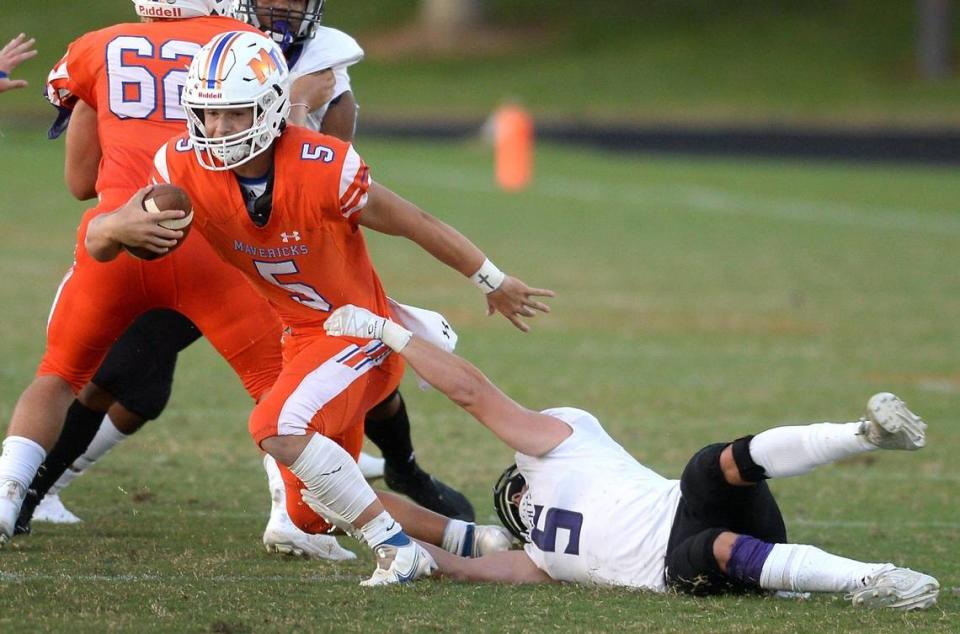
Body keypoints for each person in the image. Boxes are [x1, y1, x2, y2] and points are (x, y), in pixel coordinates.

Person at [87, 30, 552, 585]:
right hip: (305, 339)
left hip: (364, 334)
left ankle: (395, 549)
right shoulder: (179, 167)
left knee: (274, 424)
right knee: (320, 509)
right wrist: (114, 225)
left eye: (234, 115)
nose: (216, 130)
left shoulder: (322, 166)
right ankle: (474, 539)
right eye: (207, 115)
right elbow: (99, 243)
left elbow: (416, 223)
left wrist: (491, 279)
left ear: (267, 108)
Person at [22, 0, 475, 545]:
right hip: (205, 241)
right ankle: (34, 490)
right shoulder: (208, 49)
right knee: (130, 382)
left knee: (346, 368)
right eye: (268, 0)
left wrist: (299, 110)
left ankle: (390, 472)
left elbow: (323, 169)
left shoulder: (319, 59)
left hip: (280, 246)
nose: (281, 9)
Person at [319, 304, 941, 608]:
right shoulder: (535, 559)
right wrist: (341, 497)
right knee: (714, 550)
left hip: (682, 504)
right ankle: (872, 578)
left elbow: (473, 394)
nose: (513, 496)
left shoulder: (558, 443)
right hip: (678, 564)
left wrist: (391, 333)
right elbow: (449, 558)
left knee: (710, 465)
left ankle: (865, 434)